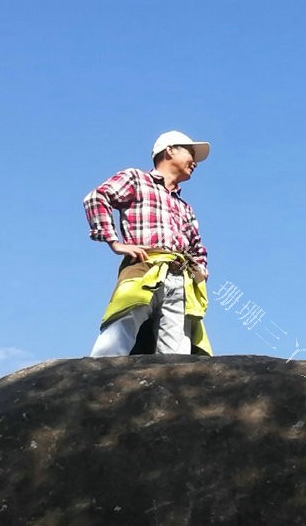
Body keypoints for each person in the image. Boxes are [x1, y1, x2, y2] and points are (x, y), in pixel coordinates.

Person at [83, 130, 213, 357]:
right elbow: (97, 197)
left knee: (178, 347)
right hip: (144, 267)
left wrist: (200, 269)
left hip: (180, 275)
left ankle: (175, 389)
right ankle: (94, 382)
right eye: (190, 152)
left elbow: (196, 246)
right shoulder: (137, 179)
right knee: (122, 325)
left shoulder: (184, 207)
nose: (195, 161)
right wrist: (115, 242)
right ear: (169, 150)